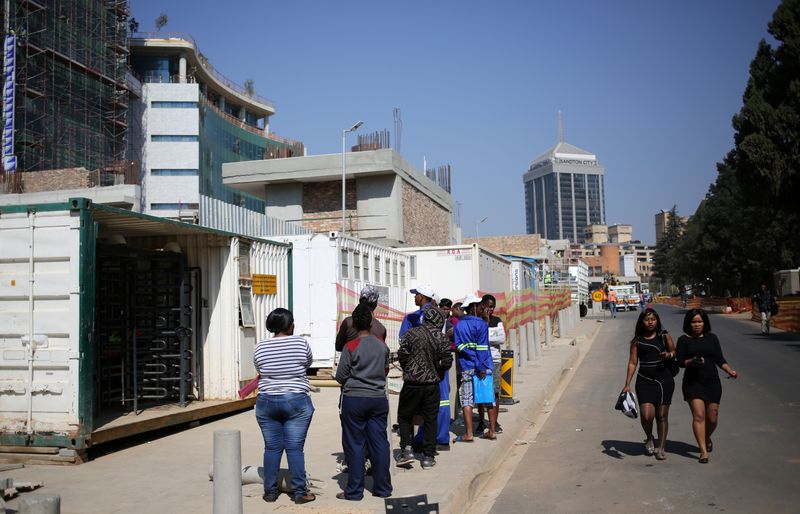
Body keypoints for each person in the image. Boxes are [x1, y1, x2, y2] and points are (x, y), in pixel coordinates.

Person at [254, 308, 315, 504]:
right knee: (294, 448)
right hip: (296, 400)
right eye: (293, 322)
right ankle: (299, 492)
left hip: (266, 401)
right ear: (289, 325)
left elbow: (259, 368)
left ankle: (270, 492)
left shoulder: (260, 346)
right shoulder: (300, 342)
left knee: (271, 448)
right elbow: (307, 363)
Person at [335, 304, 392, 500]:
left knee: (354, 444)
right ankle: (383, 488)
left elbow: (340, 376)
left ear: (354, 324)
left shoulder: (350, 346)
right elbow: (385, 371)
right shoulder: (382, 346)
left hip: (354, 399)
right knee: (379, 443)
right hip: (378, 399)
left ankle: (354, 491)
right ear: (370, 322)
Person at [675, 309, 738, 463]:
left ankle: (706, 436)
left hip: (712, 382)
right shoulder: (683, 340)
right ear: (688, 324)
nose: (697, 325)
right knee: (699, 416)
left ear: (705, 323)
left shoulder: (712, 338)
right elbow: (680, 362)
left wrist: (730, 370)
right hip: (693, 383)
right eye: (694, 322)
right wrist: (692, 361)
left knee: (712, 418)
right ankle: (703, 451)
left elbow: (719, 358)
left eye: (700, 321)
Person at [396, 307, 453, 469]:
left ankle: (407, 450)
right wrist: (439, 373)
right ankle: (428, 456)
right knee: (430, 419)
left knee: (405, 416)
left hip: (411, 384)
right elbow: (447, 362)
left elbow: (402, 355)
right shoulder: (441, 338)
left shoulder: (410, 334)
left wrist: (409, 369)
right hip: (432, 385)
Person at [621, 308, 675, 460]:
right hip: (644, 380)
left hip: (664, 380)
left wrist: (669, 355)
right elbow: (632, 362)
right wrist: (627, 383)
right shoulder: (637, 341)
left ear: (657, 321)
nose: (650, 322)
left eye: (653, 319)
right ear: (641, 322)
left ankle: (661, 447)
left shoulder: (664, 336)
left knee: (662, 416)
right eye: (647, 319)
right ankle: (649, 437)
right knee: (646, 415)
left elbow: (674, 351)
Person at [453, 294, 495, 442]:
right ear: (474, 308)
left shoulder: (458, 325)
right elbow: (482, 349)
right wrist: (480, 366)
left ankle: (469, 434)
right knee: (488, 398)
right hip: (483, 366)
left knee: (467, 400)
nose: (482, 307)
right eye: (479, 306)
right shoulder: (481, 324)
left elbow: (459, 346)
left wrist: (471, 358)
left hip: (466, 366)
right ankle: (492, 430)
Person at [477, 294, 504, 435]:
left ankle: (494, 422)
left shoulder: (497, 321)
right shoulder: (477, 320)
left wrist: (487, 332)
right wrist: (490, 333)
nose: (490, 310)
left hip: (494, 360)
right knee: (481, 393)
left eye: (493, 307)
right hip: (481, 361)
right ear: (482, 305)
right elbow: (479, 339)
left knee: (495, 392)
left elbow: (501, 338)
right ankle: (481, 421)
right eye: (488, 306)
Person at [335, 285, 387, 351]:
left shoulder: (348, 322)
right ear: (375, 304)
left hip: (350, 359)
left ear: (360, 300)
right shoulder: (381, 329)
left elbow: (338, 347)